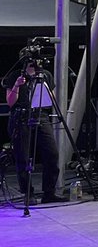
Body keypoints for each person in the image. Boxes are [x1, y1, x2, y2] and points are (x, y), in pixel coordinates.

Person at [3, 57, 65, 203]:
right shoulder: (15, 75)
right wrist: (17, 86)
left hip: (41, 115)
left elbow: (52, 101)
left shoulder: (45, 75)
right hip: (21, 116)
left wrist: (46, 88)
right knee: (23, 157)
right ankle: (28, 193)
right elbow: (10, 102)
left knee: (52, 153)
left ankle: (49, 192)